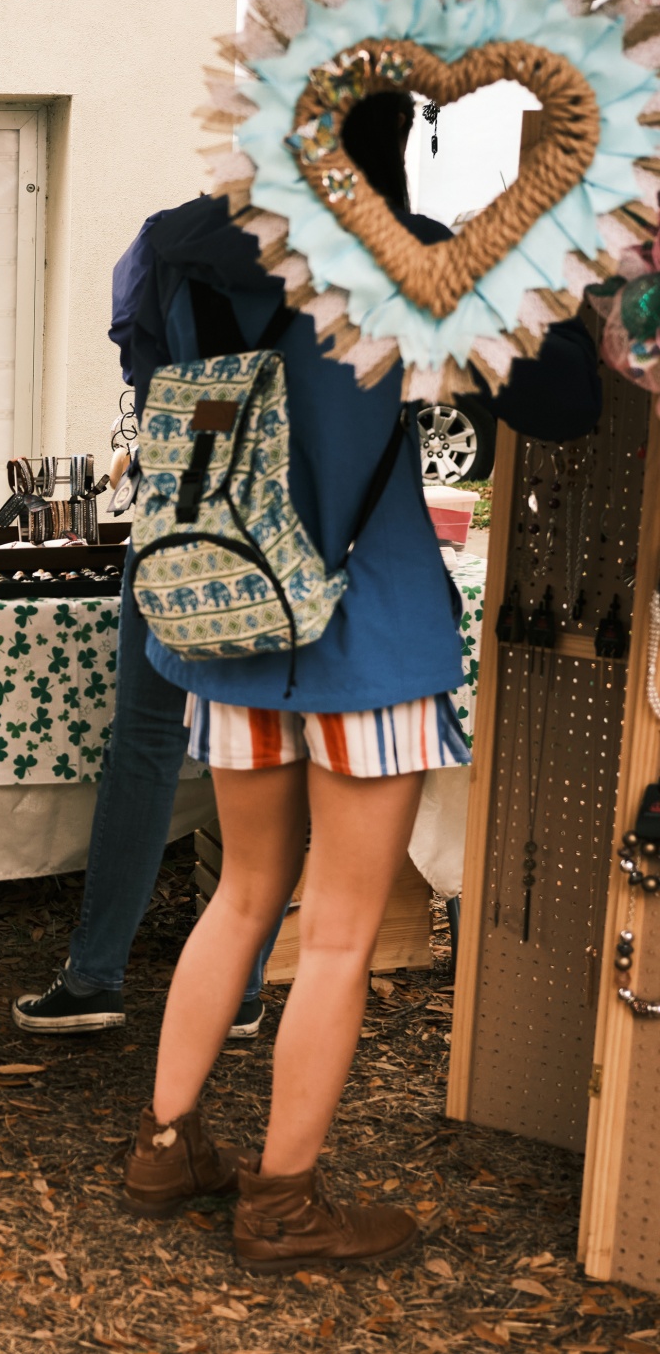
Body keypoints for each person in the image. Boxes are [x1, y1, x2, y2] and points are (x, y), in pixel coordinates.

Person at [113, 92, 600, 1271]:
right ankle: (282, 1204)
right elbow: (560, 402)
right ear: (395, 148)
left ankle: (165, 1144)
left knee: (241, 894)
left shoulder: (169, 245)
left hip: (228, 611)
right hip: (363, 628)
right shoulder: (408, 259)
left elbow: (152, 380)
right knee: (334, 934)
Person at [11, 218, 281, 1042]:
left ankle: (95, 975)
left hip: (183, 502)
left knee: (145, 743)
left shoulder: (168, 241)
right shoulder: (329, 246)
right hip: (279, 518)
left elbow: (144, 373)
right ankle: (240, 985)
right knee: (263, 747)